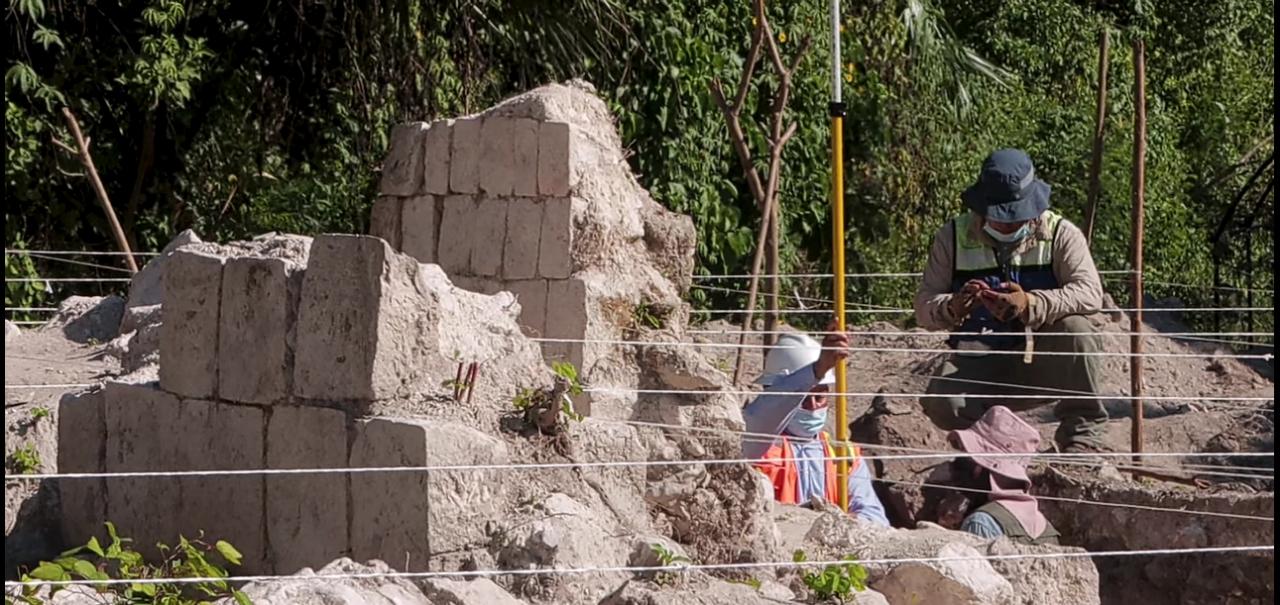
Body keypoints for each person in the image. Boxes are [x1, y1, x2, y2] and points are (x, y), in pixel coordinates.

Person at [914, 148, 1109, 453]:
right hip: (981, 362)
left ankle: (1082, 441)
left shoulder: (1061, 234)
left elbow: (1089, 293)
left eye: (1014, 216)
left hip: (1044, 363)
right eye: (999, 216)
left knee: (1078, 331)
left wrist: (1030, 303)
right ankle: (992, 447)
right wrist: (953, 306)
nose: (1006, 225)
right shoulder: (952, 236)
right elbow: (924, 307)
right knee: (942, 401)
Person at [743, 330, 890, 526]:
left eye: (820, 397)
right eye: (803, 398)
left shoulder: (843, 454)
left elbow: (875, 518)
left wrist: (839, 523)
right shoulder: (760, 449)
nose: (813, 406)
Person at [939, 405, 1060, 545]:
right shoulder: (1047, 529)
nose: (958, 465)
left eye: (969, 457)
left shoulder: (980, 522)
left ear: (984, 468)